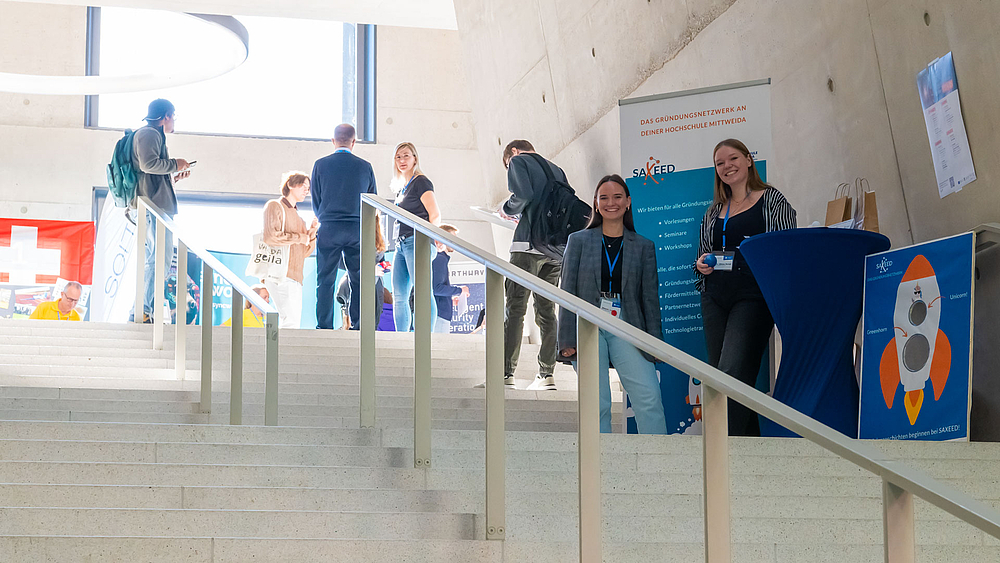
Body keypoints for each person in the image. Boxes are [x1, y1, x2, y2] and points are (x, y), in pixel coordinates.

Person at [695, 138, 797, 436]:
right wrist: (701, 264)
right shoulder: (714, 211)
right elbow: (701, 255)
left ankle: (726, 448)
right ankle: (750, 448)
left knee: (733, 373)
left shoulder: (772, 199)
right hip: (715, 297)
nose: (727, 166)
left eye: (733, 159)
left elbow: (785, 246)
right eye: (720, 163)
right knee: (723, 379)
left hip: (753, 296)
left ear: (748, 160)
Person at [558, 175, 667, 434]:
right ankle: (600, 466)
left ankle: (661, 464)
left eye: (617, 197)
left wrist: (655, 343)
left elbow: (649, 299)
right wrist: (566, 341)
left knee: (649, 397)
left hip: (627, 325)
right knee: (597, 403)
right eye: (603, 197)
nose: (611, 203)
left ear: (628, 202)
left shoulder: (643, 246)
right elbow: (567, 292)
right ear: (596, 204)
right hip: (587, 326)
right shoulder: (578, 241)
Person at [500, 140, 566, 390]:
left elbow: (523, 195)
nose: (510, 167)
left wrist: (507, 209)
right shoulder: (557, 169)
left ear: (513, 153)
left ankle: (506, 373)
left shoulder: (518, 161)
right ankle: (546, 374)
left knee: (515, 308)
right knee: (547, 311)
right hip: (555, 250)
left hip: (527, 246)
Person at [311, 123, 378, 330]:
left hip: (329, 226)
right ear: (354, 142)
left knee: (325, 279)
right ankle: (359, 326)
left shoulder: (320, 165)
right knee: (358, 279)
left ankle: (324, 325)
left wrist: (324, 216)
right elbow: (372, 201)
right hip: (356, 227)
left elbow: (316, 199)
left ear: (333, 141)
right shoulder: (365, 166)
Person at [133, 98, 192, 323]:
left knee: (157, 259)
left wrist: (172, 176)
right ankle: (146, 309)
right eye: (173, 116)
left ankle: (145, 308)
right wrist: (176, 163)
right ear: (166, 115)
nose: (174, 120)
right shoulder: (150, 133)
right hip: (155, 207)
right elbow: (148, 165)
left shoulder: (152, 134)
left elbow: (151, 171)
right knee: (159, 260)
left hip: (155, 204)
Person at [390, 142, 441, 331]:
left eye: (406, 156)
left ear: (415, 159)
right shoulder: (401, 188)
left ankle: (426, 337)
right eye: (398, 157)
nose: (402, 160)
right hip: (400, 244)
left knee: (422, 291)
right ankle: (401, 337)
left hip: (417, 241)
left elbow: (434, 214)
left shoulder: (421, 182)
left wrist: (428, 238)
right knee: (399, 295)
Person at [262, 171, 319, 329]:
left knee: (291, 321)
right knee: (290, 322)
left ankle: (279, 353)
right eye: (303, 185)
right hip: (280, 273)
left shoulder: (298, 217)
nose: (306, 190)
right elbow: (271, 236)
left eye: (308, 187)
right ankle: (280, 353)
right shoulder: (275, 206)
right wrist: (301, 238)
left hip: (294, 276)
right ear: (290, 184)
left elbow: (303, 253)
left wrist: (311, 233)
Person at [432, 224, 470, 334]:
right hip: (439, 315)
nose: (455, 242)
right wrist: (459, 290)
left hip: (439, 313)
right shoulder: (439, 259)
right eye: (452, 238)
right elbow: (435, 288)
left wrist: (449, 299)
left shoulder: (440, 259)